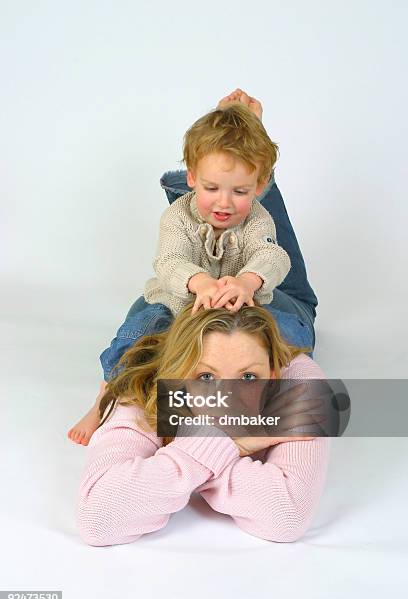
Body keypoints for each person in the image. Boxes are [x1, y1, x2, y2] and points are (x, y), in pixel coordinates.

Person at [68, 88, 318, 446]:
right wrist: (199, 283)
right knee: (138, 334)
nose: (224, 203)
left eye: (240, 192)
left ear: (260, 188)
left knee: (281, 339)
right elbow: (169, 260)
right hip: (178, 301)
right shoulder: (177, 216)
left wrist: (247, 281)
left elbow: (273, 256)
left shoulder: (258, 219)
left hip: (238, 307)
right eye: (211, 187)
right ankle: (104, 398)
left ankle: (257, 399)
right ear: (190, 178)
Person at [76, 303, 331, 546]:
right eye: (206, 377)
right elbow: (96, 519)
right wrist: (226, 444)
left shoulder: (296, 379)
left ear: (274, 376)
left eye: (249, 377)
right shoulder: (146, 384)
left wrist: (186, 460)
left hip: (282, 305)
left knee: (277, 271)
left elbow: (288, 516)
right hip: (171, 304)